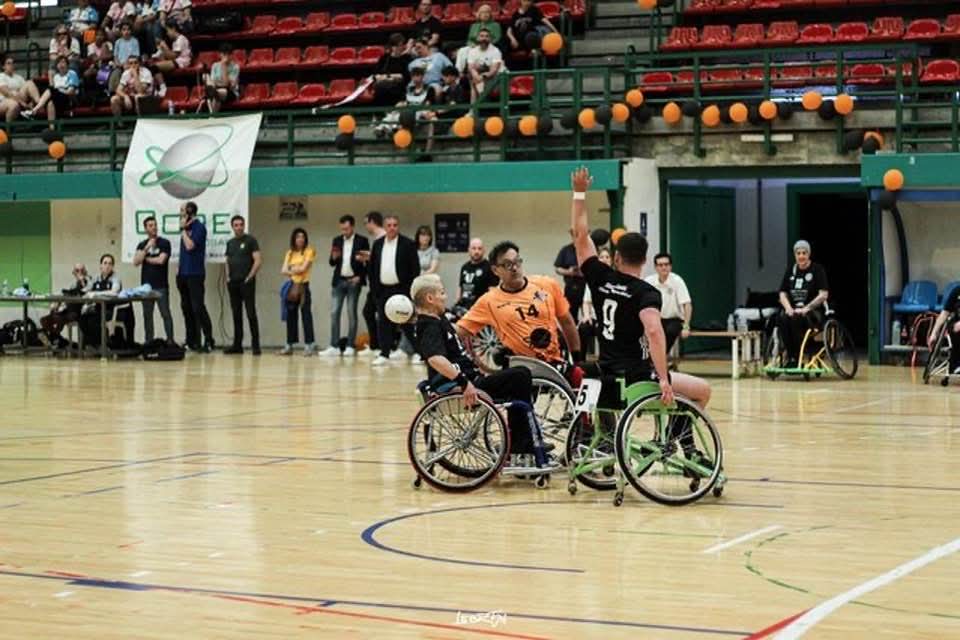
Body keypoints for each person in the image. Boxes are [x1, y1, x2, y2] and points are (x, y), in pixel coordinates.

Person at [569, 166, 711, 410]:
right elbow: (655, 332)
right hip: (637, 376)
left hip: (607, 369)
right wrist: (664, 378)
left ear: (616, 258)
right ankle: (680, 441)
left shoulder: (599, 276)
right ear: (645, 261)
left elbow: (580, 234)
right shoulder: (646, 292)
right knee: (702, 391)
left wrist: (579, 193)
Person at [412, 273, 543, 458]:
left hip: (470, 379)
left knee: (517, 375)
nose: (445, 296)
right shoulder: (428, 326)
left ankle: (522, 439)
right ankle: (521, 442)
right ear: (430, 298)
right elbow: (435, 359)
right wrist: (465, 383)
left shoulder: (437, 321)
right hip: (460, 387)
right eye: (441, 292)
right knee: (520, 375)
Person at [456, 240, 581, 369]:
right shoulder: (488, 301)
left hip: (554, 364)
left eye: (517, 261)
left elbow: (567, 322)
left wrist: (577, 359)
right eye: (507, 265)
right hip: (520, 370)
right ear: (495, 270)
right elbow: (459, 331)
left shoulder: (547, 284)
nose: (514, 268)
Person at [369, 214, 420, 366]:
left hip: (402, 289)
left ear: (398, 226)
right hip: (383, 290)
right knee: (383, 322)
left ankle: (419, 352)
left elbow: (415, 269)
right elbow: (372, 269)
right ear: (384, 227)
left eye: (395, 225)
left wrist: (410, 291)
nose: (392, 228)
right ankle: (384, 354)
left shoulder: (408, 244)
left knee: (407, 322)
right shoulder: (377, 244)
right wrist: (374, 291)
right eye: (389, 225)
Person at [321, 215, 369, 358]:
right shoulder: (337, 240)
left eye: (347, 229)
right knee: (334, 312)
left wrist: (360, 277)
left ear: (352, 227)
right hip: (339, 281)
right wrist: (333, 257)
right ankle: (334, 345)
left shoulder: (362, 241)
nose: (344, 231)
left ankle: (349, 345)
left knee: (351, 313)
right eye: (342, 229)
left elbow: (368, 262)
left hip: (354, 281)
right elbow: (332, 262)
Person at [777, 240, 829, 367]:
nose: (801, 256)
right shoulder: (791, 270)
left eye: (804, 253)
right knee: (782, 318)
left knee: (796, 319)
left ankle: (796, 357)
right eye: (798, 253)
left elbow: (823, 295)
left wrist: (807, 308)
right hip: (794, 310)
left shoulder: (817, 270)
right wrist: (788, 308)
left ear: (809, 254)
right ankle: (791, 356)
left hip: (813, 312)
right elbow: (782, 293)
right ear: (795, 255)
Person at [176, 201, 215, 352]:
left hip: (195, 274)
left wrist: (183, 230)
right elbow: (183, 252)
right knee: (186, 308)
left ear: (189, 213)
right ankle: (191, 340)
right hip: (183, 274)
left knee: (198, 307)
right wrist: (179, 270)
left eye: (182, 211)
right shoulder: (186, 229)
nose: (180, 213)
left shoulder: (199, 227)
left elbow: (190, 246)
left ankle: (209, 340)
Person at [224, 215, 261, 355]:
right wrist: (228, 277)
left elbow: (257, 260)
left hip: (247, 282)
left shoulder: (250, 240)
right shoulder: (230, 243)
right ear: (232, 227)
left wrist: (249, 277)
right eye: (236, 225)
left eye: (241, 224)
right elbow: (227, 260)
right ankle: (237, 345)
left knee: (250, 312)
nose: (239, 227)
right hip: (233, 283)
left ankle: (255, 345)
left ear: (244, 225)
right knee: (236, 313)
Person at [133, 216, 174, 343]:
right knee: (147, 316)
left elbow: (161, 260)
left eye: (155, 225)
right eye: (150, 225)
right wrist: (146, 248)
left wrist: (147, 259)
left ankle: (170, 340)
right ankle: (149, 342)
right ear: (145, 228)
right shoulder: (142, 245)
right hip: (146, 287)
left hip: (161, 285)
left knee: (165, 314)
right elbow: (136, 261)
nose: (154, 227)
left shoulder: (164, 243)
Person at [80, 253, 135, 347]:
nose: (107, 266)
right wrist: (81, 280)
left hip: (111, 309)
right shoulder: (96, 278)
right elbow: (86, 290)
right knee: (82, 319)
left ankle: (105, 344)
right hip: (98, 308)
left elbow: (114, 292)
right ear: (100, 265)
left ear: (113, 266)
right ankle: (93, 344)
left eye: (110, 264)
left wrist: (96, 294)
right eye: (105, 263)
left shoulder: (115, 278)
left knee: (94, 320)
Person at [644, 252, 693, 354]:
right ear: (656, 267)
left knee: (670, 331)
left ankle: (659, 358)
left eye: (666, 265)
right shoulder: (649, 281)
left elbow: (687, 305)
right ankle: (652, 359)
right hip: (656, 319)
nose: (663, 268)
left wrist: (686, 326)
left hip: (674, 320)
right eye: (660, 265)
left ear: (670, 266)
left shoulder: (677, 281)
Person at [280, 227, 317, 356]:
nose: (300, 239)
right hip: (292, 285)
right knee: (291, 315)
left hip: (303, 286)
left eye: (302, 236)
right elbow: (283, 270)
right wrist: (295, 268)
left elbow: (303, 268)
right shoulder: (289, 253)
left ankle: (309, 344)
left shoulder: (309, 251)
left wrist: (292, 267)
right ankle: (289, 345)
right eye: (297, 237)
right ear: (294, 239)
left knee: (306, 314)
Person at [40, 263, 90, 346]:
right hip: (67, 310)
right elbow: (67, 296)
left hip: (78, 312)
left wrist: (82, 280)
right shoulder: (73, 284)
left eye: (81, 270)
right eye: (77, 270)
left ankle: (57, 340)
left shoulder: (89, 281)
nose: (79, 273)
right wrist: (58, 304)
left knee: (57, 317)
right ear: (74, 272)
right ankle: (57, 338)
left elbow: (86, 292)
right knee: (44, 320)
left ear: (85, 271)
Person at [357, 211, 386, 356]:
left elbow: (383, 260)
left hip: (382, 285)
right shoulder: (376, 239)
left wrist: (369, 257)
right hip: (374, 284)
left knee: (382, 316)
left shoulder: (383, 237)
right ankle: (375, 346)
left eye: (366, 223)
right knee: (368, 312)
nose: (365, 226)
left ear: (372, 222)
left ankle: (384, 347)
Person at [27, 56, 80, 122]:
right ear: (57, 66)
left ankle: (35, 110)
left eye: (63, 62)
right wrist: (51, 77)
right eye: (59, 63)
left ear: (67, 64)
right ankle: (51, 129)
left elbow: (70, 91)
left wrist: (58, 91)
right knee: (50, 103)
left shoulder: (72, 74)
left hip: (69, 99)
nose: (61, 65)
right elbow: (53, 89)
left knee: (50, 90)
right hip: (57, 99)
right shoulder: (56, 76)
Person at [455, 237, 497, 310]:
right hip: (464, 306)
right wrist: (457, 303)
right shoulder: (464, 267)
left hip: (481, 308)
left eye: (479, 248)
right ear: (469, 250)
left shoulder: (490, 267)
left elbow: (493, 291)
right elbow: (461, 287)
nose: (476, 251)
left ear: (484, 250)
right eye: (473, 248)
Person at [554, 230, 586, 323]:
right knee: (571, 317)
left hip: (587, 286)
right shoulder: (566, 250)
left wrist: (583, 272)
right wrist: (569, 272)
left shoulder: (588, 250)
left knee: (588, 316)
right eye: (574, 236)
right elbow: (558, 268)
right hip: (571, 287)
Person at [372, 33, 411, 107]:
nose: (400, 47)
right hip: (384, 84)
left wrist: (388, 77)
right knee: (379, 88)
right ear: (392, 47)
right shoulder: (384, 58)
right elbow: (375, 74)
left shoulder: (406, 58)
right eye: (397, 45)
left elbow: (405, 76)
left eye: (401, 45)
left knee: (395, 89)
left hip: (399, 86)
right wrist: (390, 77)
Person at [466, 28, 504, 102]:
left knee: (478, 83)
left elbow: (493, 70)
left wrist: (482, 77)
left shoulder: (496, 51)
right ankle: (473, 109)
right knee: (471, 78)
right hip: (480, 76)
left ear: (490, 39)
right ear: (477, 38)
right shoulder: (472, 51)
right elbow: (471, 67)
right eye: (482, 36)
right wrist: (476, 76)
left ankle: (476, 107)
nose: (484, 38)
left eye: (487, 36)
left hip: (497, 77)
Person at [928, 285, 960, 375]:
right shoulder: (957, 291)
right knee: (955, 329)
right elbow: (944, 313)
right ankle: (956, 365)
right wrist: (934, 333)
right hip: (956, 327)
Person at [0, 56, 42, 123]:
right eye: (8, 63)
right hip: (4, 101)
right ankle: (8, 130)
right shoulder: (1, 76)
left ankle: (40, 104)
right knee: (13, 104)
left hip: (19, 99)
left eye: (12, 63)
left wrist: (31, 102)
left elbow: (28, 90)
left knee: (29, 83)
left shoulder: (18, 77)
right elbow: (7, 93)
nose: (11, 65)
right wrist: (23, 103)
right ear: (3, 66)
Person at [205, 43, 239, 113]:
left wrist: (224, 66)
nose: (226, 57)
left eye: (229, 54)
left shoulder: (235, 67)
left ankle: (212, 93)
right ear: (220, 54)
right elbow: (213, 81)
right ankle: (213, 117)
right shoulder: (215, 66)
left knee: (217, 93)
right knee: (216, 96)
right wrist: (217, 83)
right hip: (216, 89)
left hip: (230, 92)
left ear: (232, 55)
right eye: (224, 54)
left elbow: (227, 84)